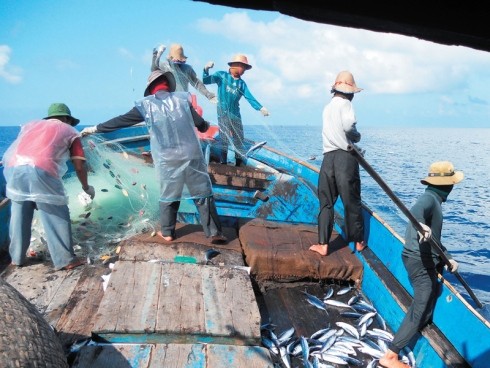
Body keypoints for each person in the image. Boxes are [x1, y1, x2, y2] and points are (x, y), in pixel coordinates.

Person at [80, 69, 227, 243]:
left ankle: (167, 232)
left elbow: (121, 121)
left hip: (167, 160)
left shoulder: (145, 105)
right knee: (202, 192)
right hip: (191, 155)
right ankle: (214, 233)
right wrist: (204, 126)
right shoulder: (182, 100)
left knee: (169, 195)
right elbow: (200, 124)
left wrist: (94, 128)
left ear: (151, 89)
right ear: (168, 85)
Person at [379, 161, 462, 368]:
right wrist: (421, 225)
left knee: (431, 293)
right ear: (446, 185)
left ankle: (420, 322)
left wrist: (448, 258)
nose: (452, 187)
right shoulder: (429, 199)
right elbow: (415, 212)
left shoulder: (434, 199)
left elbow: (435, 242)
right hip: (418, 262)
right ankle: (390, 355)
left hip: (423, 259)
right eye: (451, 184)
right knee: (421, 302)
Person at [2, 103, 94, 270]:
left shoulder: (31, 126)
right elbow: (79, 166)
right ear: (67, 119)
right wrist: (86, 187)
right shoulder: (71, 132)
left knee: (19, 216)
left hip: (13, 169)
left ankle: (16, 258)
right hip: (41, 171)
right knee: (56, 214)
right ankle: (66, 260)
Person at [310, 71, 366, 256]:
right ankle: (358, 241)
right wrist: (356, 136)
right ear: (350, 92)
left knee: (326, 202)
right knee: (351, 200)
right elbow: (349, 126)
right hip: (345, 158)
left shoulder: (327, 107)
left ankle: (323, 244)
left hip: (328, 159)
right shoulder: (346, 104)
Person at [202, 54, 269, 166]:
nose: (244, 70)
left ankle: (239, 163)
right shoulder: (221, 76)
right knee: (224, 139)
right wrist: (206, 69)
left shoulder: (242, 84)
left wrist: (260, 108)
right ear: (235, 65)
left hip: (235, 115)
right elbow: (206, 80)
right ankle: (223, 163)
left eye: (245, 68)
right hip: (223, 114)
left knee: (239, 139)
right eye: (243, 67)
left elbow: (249, 97)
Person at [152, 43, 217, 107]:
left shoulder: (187, 69)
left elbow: (197, 83)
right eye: (176, 62)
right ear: (170, 59)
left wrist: (208, 95)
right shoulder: (164, 67)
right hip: (169, 104)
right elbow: (154, 69)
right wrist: (156, 55)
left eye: (179, 62)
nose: (177, 65)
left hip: (183, 103)